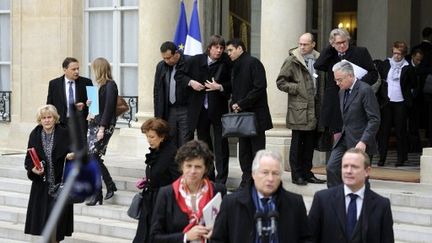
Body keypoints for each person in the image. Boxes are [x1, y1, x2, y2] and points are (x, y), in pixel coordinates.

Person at [211, 150, 310, 242]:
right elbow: (218, 239)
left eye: (275, 173)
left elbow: (306, 239)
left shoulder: (295, 203)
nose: (270, 178)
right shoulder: (231, 203)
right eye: (265, 172)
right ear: (254, 174)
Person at [176, 35, 231, 184]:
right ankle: (209, 175)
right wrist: (191, 82)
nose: (219, 51)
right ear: (209, 48)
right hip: (200, 110)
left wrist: (219, 87)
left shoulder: (226, 62)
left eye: (221, 48)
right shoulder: (195, 60)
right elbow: (179, 75)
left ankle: (221, 179)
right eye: (216, 48)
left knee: (221, 145)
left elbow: (232, 84)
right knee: (204, 144)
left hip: (218, 110)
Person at [308, 148, 394, 243]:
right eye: (345, 166)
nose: (348, 171)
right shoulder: (322, 199)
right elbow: (309, 238)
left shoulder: (382, 205)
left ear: (367, 171)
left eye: (354, 167)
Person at [149, 140, 226, 243]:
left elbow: (229, 228)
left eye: (198, 167)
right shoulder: (166, 194)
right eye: (188, 166)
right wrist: (185, 237)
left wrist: (216, 232)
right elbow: (154, 237)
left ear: (206, 169)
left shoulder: (218, 191)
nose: (192, 171)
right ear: (181, 166)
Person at [276, 32, 326, 185]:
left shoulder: (319, 60)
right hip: (298, 108)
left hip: (314, 108)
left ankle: (307, 172)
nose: (302, 47)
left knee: (310, 144)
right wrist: (297, 88)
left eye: (305, 44)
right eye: (300, 44)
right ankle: (296, 174)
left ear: (313, 44)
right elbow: (280, 82)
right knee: (297, 143)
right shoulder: (292, 60)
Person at [226, 38, 273, 188]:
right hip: (242, 116)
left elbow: (259, 88)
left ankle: (256, 182)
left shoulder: (253, 63)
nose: (228, 54)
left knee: (257, 151)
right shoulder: (235, 66)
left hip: (255, 116)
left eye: (230, 50)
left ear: (240, 48)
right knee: (244, 151)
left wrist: (241, 103)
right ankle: (246, 181)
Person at [314, 28, 378, 139]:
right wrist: (330, 47)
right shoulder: (331, 55)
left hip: (356, 98)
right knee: (337, 137)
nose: (342, 45)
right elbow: (318, 65)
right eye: (338, 43)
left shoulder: (360, 52)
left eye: (344, 42)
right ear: (333, 44)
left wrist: (356, 84)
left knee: (355, 135)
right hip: (336, 101)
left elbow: (373, 74)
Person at [24, 105, 74, 242]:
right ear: (40, 120)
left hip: (60, 184)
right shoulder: (35, 134)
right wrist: (34, 169)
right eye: (43, 118)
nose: (46, 120)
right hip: (42, 186)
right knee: (44, 224)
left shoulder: (64, 132)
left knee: (58, 225)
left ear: (55, 118)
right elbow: (29, 159)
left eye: (49, 117)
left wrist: (70, 155)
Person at [326, 61, 380, 188]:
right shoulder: (341, 91)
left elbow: (374, 119)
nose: (337, 83)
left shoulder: (365, 90)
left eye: (340, 80)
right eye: (336, 80)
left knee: (360, 177)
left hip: (360, 140)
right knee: (332, 168)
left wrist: (364, 141)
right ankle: (336, 199)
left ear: (350, 76)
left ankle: (362, 204)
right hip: (344, 138)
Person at [132, 118, 180, 243]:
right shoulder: (156, 151)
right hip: (150, 201)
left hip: (163, 203)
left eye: (152, 137)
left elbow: (177, 181)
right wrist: (148, 180)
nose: (149, 140)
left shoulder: (171, 154)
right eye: (147, 136)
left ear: (162, 136)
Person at [86, 57, 118, 206]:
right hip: (94, 124)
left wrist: (102, 128)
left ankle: (102, 189)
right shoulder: (99, 86)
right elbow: (97, 109)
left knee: (93, 157)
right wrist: (90, 105)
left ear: (99, 69)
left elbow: (109, 108)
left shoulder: (111, 85)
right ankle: (105, 188)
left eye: (94, 68)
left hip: (103, 126)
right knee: (93, 158)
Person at [376, 41, 414, 166]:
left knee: (400, 130)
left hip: (401, 101)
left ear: (404, 54)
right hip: (387, 101)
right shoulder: (386, 64)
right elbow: (380, 81)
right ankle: (382, 157)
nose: (396, 56)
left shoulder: (408, 67)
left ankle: (401, 157)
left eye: (400, 54)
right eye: (395, 53)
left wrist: (410, 97)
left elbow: (414, 85)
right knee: (384, 130)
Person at [47, 57, 93, 141]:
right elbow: (50, 106)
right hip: (60, 124)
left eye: (78, 69)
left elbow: (94, 107)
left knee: (80, 152)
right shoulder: (54, 84)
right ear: (65, 69)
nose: (77, 72)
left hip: (80, 125)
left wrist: (85, 106)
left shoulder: (87, 82)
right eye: (73, 69)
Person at [154, 41, 189, 148]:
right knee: (170, 141)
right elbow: (157, 90)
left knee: (185, 141)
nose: (166, 60)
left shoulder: (188, 62)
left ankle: (184, 164)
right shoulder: (161, 66)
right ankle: (172, 165)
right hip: (169, 110)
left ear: (176, 53)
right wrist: (157, 115)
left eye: (168, 58)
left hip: (185, 109)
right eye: (164, 58)